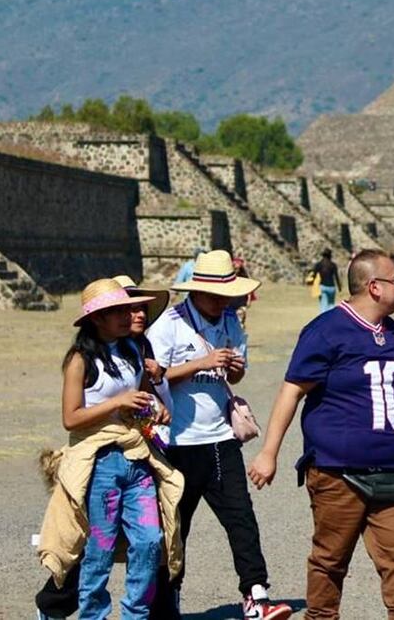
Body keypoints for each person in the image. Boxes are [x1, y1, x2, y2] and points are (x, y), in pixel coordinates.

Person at [248, 250, 394, 620]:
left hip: (391, 472)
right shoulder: (326, 331)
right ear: (375, 287)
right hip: (336, 473)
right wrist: (269, 453)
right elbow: (291, 391)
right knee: (330, 560)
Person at [146, 251, 292, 620]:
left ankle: (256, 596)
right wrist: (200, 363)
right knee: (175, 529)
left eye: (228, 293)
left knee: (241, 517)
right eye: (217, 294)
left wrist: (237, 368)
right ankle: (166, 601)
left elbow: (233, 377)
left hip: (221, 439)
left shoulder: (229, 320)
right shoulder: (169, 323)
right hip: (176, 443)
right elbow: (152, 376)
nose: (224, 301)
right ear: (197, 290)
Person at [47, 279, 175, 620]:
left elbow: (144, 398)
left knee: (150, 542)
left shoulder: (133, 350)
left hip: (137, 460)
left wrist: (155, 408)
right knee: (99, 553)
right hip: (100, 463)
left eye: (128, 308)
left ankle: (136, 615)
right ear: (96, 318)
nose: (127, 315)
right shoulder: (80, 360)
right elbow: (70, 418)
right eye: (116, 311)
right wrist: (117, 401)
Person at [310, 249, 340, 313]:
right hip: (332, 287)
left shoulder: (319, 264)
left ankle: (324, 320)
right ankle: (331, 318)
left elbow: (314, 275)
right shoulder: (333, 265)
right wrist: (339, 287)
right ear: (330, 256)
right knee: (331, 304)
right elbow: (336, 277)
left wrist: (311, 282)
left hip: (323, 286)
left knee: (323, 305)